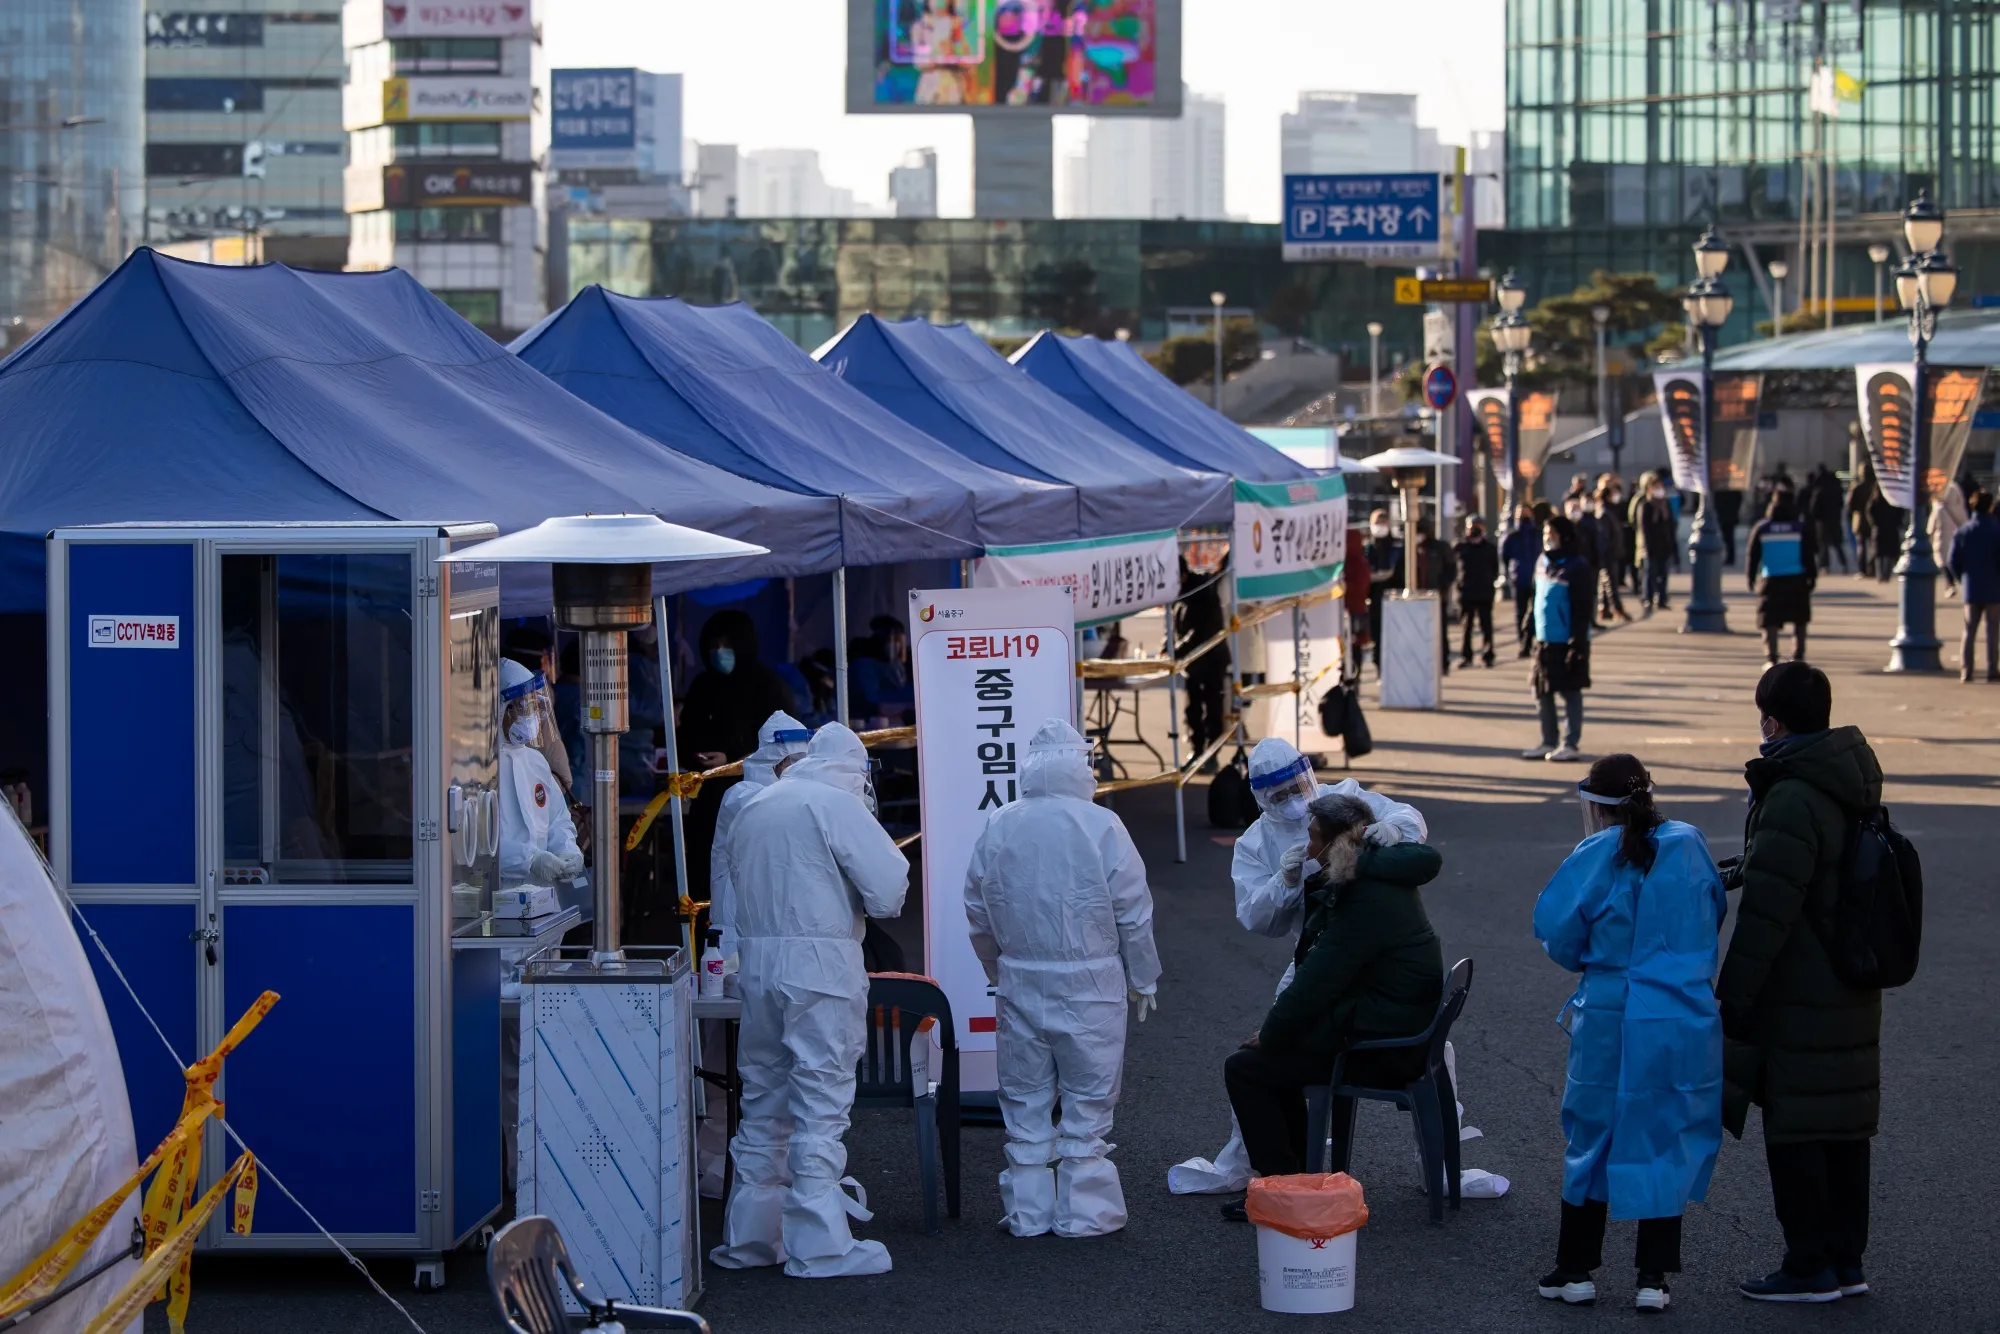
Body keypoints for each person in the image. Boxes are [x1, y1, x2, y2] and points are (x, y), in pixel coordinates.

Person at [1168, 736, 1427, 1195]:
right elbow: (1256, 917)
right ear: (1262, 798)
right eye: (1280, 796)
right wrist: (1286, 880)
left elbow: (1405, 818)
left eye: (1298, 788)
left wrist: (1396, 829)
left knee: (1265, 1057)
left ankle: (1289, 1182)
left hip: (1341, 968)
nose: (1295, 805)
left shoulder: (1343, 805)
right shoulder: (1258, 844)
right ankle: (1278, 1170)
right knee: (1273, 1055)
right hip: (1333, 961)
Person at [712, 723, 910, 1278]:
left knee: (764, 1099)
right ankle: (820, 1244)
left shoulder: (756, 804)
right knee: (820, 1100)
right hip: (821, 966)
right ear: (857, 772)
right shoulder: (836, 804)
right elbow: (890, 892)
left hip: (759, 965)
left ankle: (752, 1237)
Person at [1533, 754, 1727, 1314]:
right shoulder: (1688, 843)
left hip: (1612, 1006)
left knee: (1591, 1130)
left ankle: (1575, 1269)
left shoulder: (1596, 853)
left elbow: (1556, 929)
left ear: (1595, 804)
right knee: (1667, 1128)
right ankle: (1653, 1277)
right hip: (1679, 1010)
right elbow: (1711, 911)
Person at [1718, 664, 1884, 1303]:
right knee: (1843, 1126)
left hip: (1799, 989)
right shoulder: (1849, 776)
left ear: (1772, 720)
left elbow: (1769, 912)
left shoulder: (1792, 793)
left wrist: (1734, 995)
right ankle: (1846, 1261)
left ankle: (1807, 1264)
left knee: (1795, 1130)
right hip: (1851, 978)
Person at [963, 720, 1160, 1239]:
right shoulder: (1101, 826)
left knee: (1025, 1095)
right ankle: (1086, 1212)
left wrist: (997, 967)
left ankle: (1027, 1211)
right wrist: (1143, 976)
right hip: (1091, 982)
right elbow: (1133, 910)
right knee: (1089, 1096)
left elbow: (977, 909)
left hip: (1021, 977)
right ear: (1081, 766)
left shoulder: (1000, 823)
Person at [1220, 793, 1443, 1201]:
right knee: (1275, 1058)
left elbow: (1318, 979)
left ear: (1335, 843)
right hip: (1391, 1022)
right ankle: (1296, 1181)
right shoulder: (1372, 874)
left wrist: (1271, 1034)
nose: (1307, 847)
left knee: (1247, 1068)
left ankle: (1284, 1190)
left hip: (1386, 1045)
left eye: (1312, 837)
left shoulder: (1365, 896)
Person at [679, 609, 796, 906]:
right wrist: (697, 757)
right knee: (708, 875)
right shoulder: (702, 686)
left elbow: (784, 748)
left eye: (727, 646)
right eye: (713, 646)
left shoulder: (768, 688)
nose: (719, 653)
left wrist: (732, 760)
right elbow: (685, 733)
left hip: (756, 799)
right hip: (709, 801)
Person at [709, 710, 812, 963]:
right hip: (737, 927)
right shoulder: (741, 795)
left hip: (775, 925)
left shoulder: (795, 796)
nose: (799, 768)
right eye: (793, 760)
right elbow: (773, 813)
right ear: (773, 759)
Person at [496, 659, 584, 891]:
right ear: (500, 708)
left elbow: (558, 819)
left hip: (542, 896)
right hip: (493, 896)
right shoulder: (480, 768)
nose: (532, 715)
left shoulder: (535, 761)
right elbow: (473, 842)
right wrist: (528, 859)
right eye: (522, 706)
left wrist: (567, 850)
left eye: (534, 705)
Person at [1524, 514, 1593, 763]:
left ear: (1564, 536)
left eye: (1552, 534)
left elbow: (1583, 607)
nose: (1547, 539)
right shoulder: (1542, 562)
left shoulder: (1577, 566)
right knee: (1541, 690)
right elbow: (1536, 596)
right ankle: (1548, 741)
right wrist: (1528, 626)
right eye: (1545, 534)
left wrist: (1577, 641)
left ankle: (1570, 743)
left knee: (1570, 691)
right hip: (1543, 639)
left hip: (1567, 639)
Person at [1746, 488, 1819, 667]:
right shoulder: (1799, 528)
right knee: (1799, 619)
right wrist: (1812, 577)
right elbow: (1809, 554)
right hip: (1797, 578)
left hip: (1771, 579)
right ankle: (1799, 656)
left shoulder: (1763, 527)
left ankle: (1771, 657)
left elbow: (1752, 555)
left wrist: (1751, 577)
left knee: (1768, 620)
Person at [1176, 555, 1231, 761]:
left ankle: (1211, 754)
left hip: (1211, 659)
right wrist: (1169, 647)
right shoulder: (1181, 591)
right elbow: (1177, 626)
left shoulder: (1200, 590)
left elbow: (1200, 631)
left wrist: (1176, 650)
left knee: (1213, 708)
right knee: (1193, 709)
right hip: (1193, 662)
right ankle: (1198, 750)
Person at [1947, 487, 2000, 682]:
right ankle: (1992, 669)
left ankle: (1966, 670)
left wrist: (1962, 578)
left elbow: (1952, 560)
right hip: (1994, 588)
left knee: (1969, 630)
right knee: (1993, 631)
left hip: (1971, 588)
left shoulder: (1964, 532)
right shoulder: (1996, 530)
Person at [1453, 514, 1499, 668]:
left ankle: (1488, 655)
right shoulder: (1460, 547)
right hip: (1466, 592)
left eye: (1477, 526)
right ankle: (1466, 656)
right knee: (1467, 627)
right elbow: (1454, 568)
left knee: (1487, 625)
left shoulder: (1489, 548)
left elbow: (1495, 569)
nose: (1474, 530)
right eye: (1471, 526)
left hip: (1485, 592)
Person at [1414, 516, 1457, 674]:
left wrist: (1443, 587)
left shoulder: (1440, 548)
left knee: (1440, 631)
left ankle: (1443, 663)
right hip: (1417, 598)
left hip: (1437, 596)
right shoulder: (1411, 549)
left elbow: (1451, 569)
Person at [1364, 509, 1402, 675]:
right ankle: (1380, 668)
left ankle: (1395, 671)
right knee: (1377, 639)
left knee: (1395, 638)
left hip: (1394, 601)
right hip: (1374, 602)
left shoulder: (1398, 547)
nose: (1380, 526)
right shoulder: (1367, 548)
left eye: (1383, 522)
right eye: (1377, 523)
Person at [1501, 504, 1540, 656]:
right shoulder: (1512, 536)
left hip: (1536, 578)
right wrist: (1512, 572)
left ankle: (1535, 640)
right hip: (1519, 579)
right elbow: (1504, 556)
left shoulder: (1537, 533)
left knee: (1536, 612)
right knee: (1521, 613)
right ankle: (1524, 643)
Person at [1635, 475, 1678, 613]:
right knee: (1650, 573)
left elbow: (1671, 525)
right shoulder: (1646, 505)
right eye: (1656, 487)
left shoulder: (1666, 504)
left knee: (1663, 574)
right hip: (1651, 546)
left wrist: (1672, 545)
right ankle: (1647, 598)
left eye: (1660, 487)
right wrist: (1647, 547)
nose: (1659, 490)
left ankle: (1662, 599)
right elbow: (1644, 528)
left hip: (1664, 545)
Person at [1929, 477, 1970, 598]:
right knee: (1954, 560)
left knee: (1943, 562)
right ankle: (1956, 582)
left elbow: (1931, 525)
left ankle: (1950, 583)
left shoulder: (1939, 508)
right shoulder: (1959, 508)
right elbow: (1965, 523)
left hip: (1941, 538)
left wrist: (1930, 535)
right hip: (1956, 538)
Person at [1846, 456, 1878, 581]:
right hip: (1873, 519)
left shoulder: (1857, 487)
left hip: (1859, 519)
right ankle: (1872, 569)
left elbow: (1850, 505)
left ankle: (1862, 570)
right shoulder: (1874, 486)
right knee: (1873, 545)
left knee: (1861, 546)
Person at [1867, 475, 1901, 582]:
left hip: (1879, 529)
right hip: (1891, 528)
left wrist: (1874, 523)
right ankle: (1886, 574)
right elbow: (1900, 511)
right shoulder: (1893, 498)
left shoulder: (1875, 499)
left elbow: (1869, 512)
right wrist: (1896, 522)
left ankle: (1880, 574)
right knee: (1889, 553)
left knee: (1879, 554)